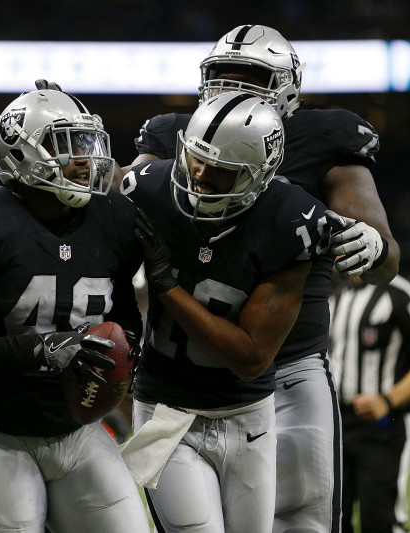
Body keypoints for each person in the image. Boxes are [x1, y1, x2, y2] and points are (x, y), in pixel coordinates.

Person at [130, 24, 400, 532]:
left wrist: (374, 245)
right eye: (222, 77)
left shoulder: (325, 138)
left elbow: (386, 257)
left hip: (290, 364)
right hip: (185, 373)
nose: (232, 88)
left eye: (249, 77)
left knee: (307, 521)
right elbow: (121, 216)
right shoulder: (172, 135)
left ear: (287, 88)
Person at [0, 86, 150, 533]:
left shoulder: (116, 220)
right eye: (67, 145)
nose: (85, 158)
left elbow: (123, 319)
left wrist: (125, 353)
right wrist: (40, 351)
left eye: (87, 143)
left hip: (78, 429)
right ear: (22, 150)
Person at [117, 90, 333, 532]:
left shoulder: (291, 221)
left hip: (247, 413)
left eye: (219, 167)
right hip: (166, 410)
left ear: (260, 173)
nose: (198, 173)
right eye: (195, 156)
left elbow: (251, 358)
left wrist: (168, 287)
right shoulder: (150, 188)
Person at [329, 274, 410, 533]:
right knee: (333, 519)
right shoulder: (335, 295)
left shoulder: (399, 293)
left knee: (379, 519)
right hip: (337, 425)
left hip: (382, 426)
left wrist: (388, 400)